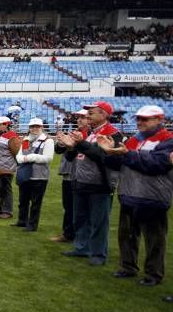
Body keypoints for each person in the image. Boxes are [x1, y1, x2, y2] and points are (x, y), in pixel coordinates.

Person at [100, 105, 173, 286]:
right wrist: (109, 153)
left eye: (145, 119)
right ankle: (128, 267)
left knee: (154, 239)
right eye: (138, 118)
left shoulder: (167, 140)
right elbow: (120, 163)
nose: (140, 122)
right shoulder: (134, 139)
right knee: (127, 235)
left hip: (153, 196)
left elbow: (156, 164)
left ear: (159, 120)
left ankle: (153, 274)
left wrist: (126, 153)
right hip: (129, 193)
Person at [58, 101, 123, 266]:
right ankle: (81, 248)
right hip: (80, 181)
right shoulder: (86, 132)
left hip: (100, 184)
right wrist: (70, 147)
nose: (87, 116)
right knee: (80, 219)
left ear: (103, 115)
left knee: (98, 222)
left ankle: (98, 254)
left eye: (91, 113)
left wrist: (80, 143)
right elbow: (70, 157)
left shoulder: (113, 134)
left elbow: (104, 156)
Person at [51, 109, 89, 243]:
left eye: (83, 117)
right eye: (78, 117)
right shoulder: (72, 133)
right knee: (68, 206)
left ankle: (78, 235)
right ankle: (68, 233)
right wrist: (60, 142)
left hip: (81, 176)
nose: (79, 120)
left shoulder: (90, 136)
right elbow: (58, 150)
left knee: (79, 207)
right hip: (68, 174)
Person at [14, 118, 55, 232]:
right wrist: (24, 158)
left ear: (41, 127)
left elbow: (48, 158)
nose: (35, 129)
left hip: (39, 176)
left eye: (37, 126)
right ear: (29, 128)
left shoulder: (48, 140)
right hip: (26, 175)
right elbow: (19, 155)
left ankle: (32, 225)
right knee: (23, 200)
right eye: (32, 127)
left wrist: (30, 157)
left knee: (36, 202)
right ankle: (22, 221)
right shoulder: (26, 140)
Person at [0, 116, 20, 219]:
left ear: (6, 124)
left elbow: (17, 152)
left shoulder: (12, 136)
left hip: (6, 167)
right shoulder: (0, 136)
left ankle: (7, 211)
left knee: (6, 189)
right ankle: (1, 207)